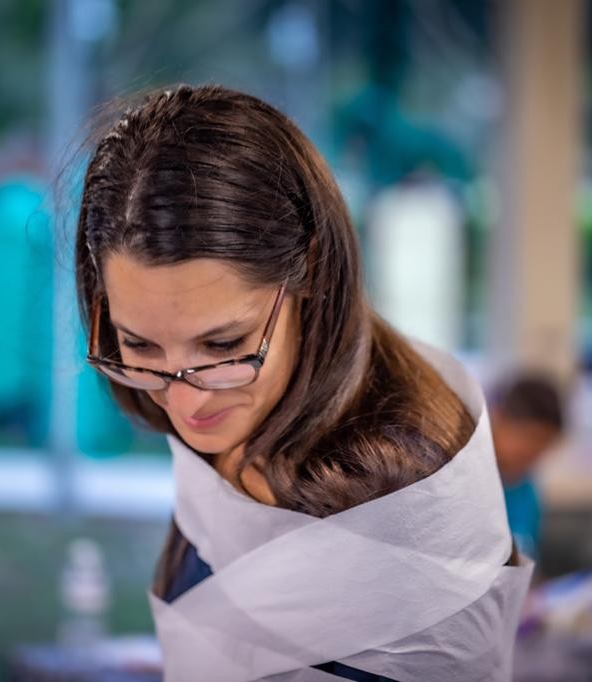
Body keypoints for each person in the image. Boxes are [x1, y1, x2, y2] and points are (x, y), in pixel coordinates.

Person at [74, 84, 531, 681]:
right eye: (139, 346)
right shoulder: (239, 418)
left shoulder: (399, 509)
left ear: (311, 269)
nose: (182, 401)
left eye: (224, 345)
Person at [488, 374, 565, 562]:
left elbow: (528, 561)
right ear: (499, 417)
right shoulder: (468, 486)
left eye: (544, 444)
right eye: (529, 437)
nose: (532, 453)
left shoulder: (527, 493)